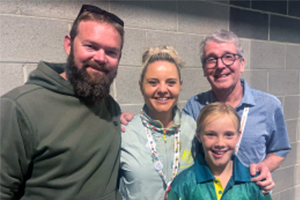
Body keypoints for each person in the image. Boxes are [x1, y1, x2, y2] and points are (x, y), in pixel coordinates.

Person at [1, 4, 124, 200]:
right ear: (69, 44)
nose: (100, 58)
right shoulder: (17, 108)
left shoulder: (110, 108)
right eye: (91, 46)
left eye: (111, 52)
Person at [183, 30, 291, 189]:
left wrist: (265, 166)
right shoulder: (194, 106)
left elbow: (279, 149)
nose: (220, 66)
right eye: (211, 59)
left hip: (250, 193)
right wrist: (135, 121)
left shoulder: (269, 105)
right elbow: (173, 136)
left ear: (242, 64)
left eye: (228, 57)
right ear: (205, 69)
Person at [119, 46, 197, 200]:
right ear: (141, 85)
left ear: (180, 85)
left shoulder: (195, 130)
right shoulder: (124, 133)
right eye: (153, 82)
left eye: (171, 82)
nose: (162, 89)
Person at [167, 102, 271, 200]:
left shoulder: (255, 182)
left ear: (238, 136)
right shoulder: (183, 183)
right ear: (199, 136)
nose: (220, 143)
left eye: (228, 135)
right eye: (211, 134)